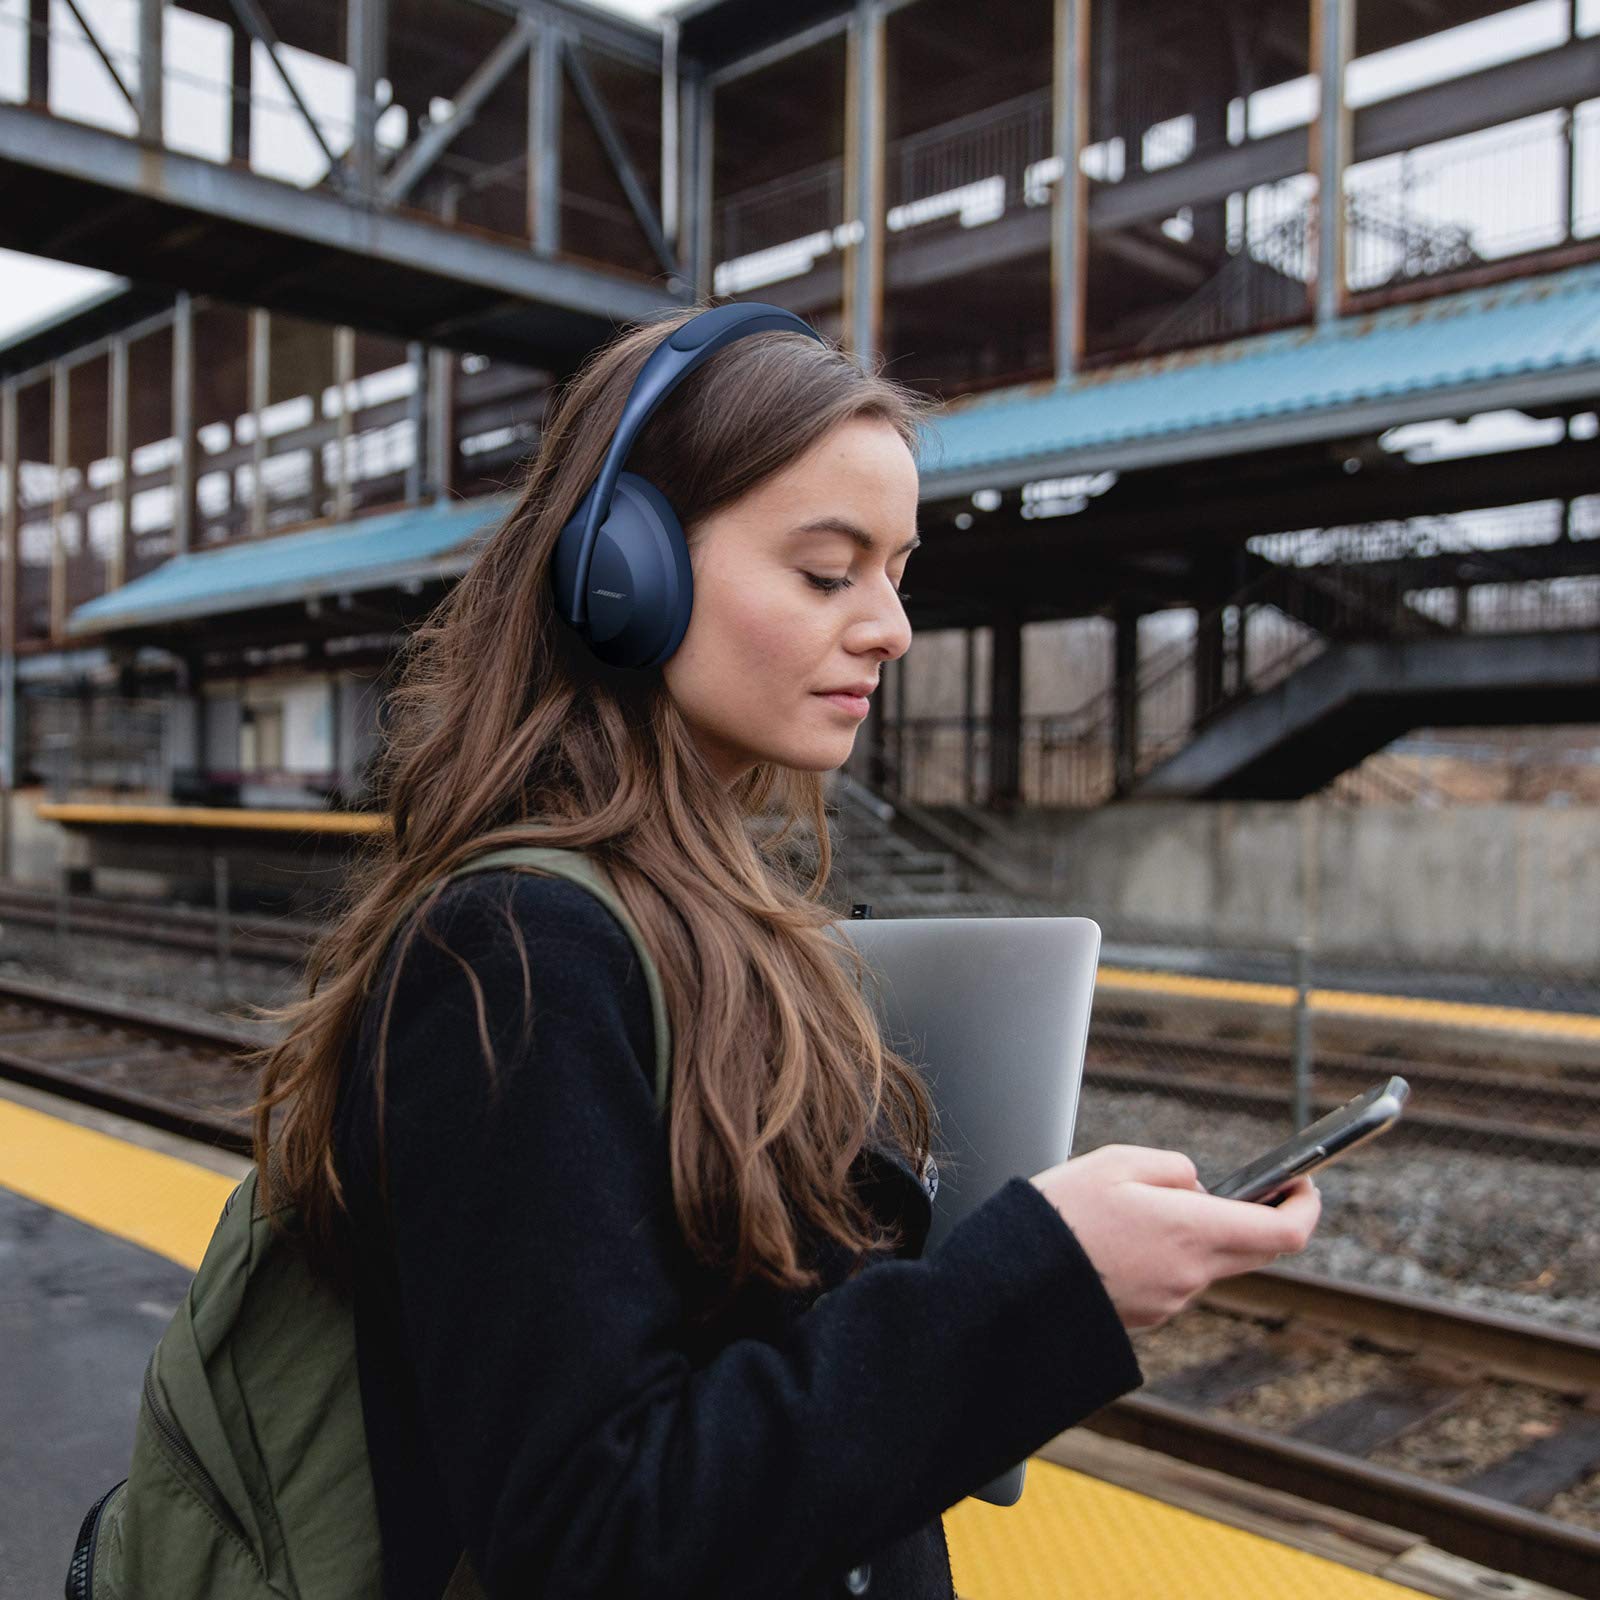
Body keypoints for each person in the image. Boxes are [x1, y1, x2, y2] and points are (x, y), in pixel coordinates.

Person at [250, 302, 1320, 1600]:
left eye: (896, 573)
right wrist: (1039, 1287)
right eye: (827, 572)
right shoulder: (518, 955)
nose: (890, 628)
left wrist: (1015, 1273)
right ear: (624, 572)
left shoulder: (707, 917)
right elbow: (595, 1535)